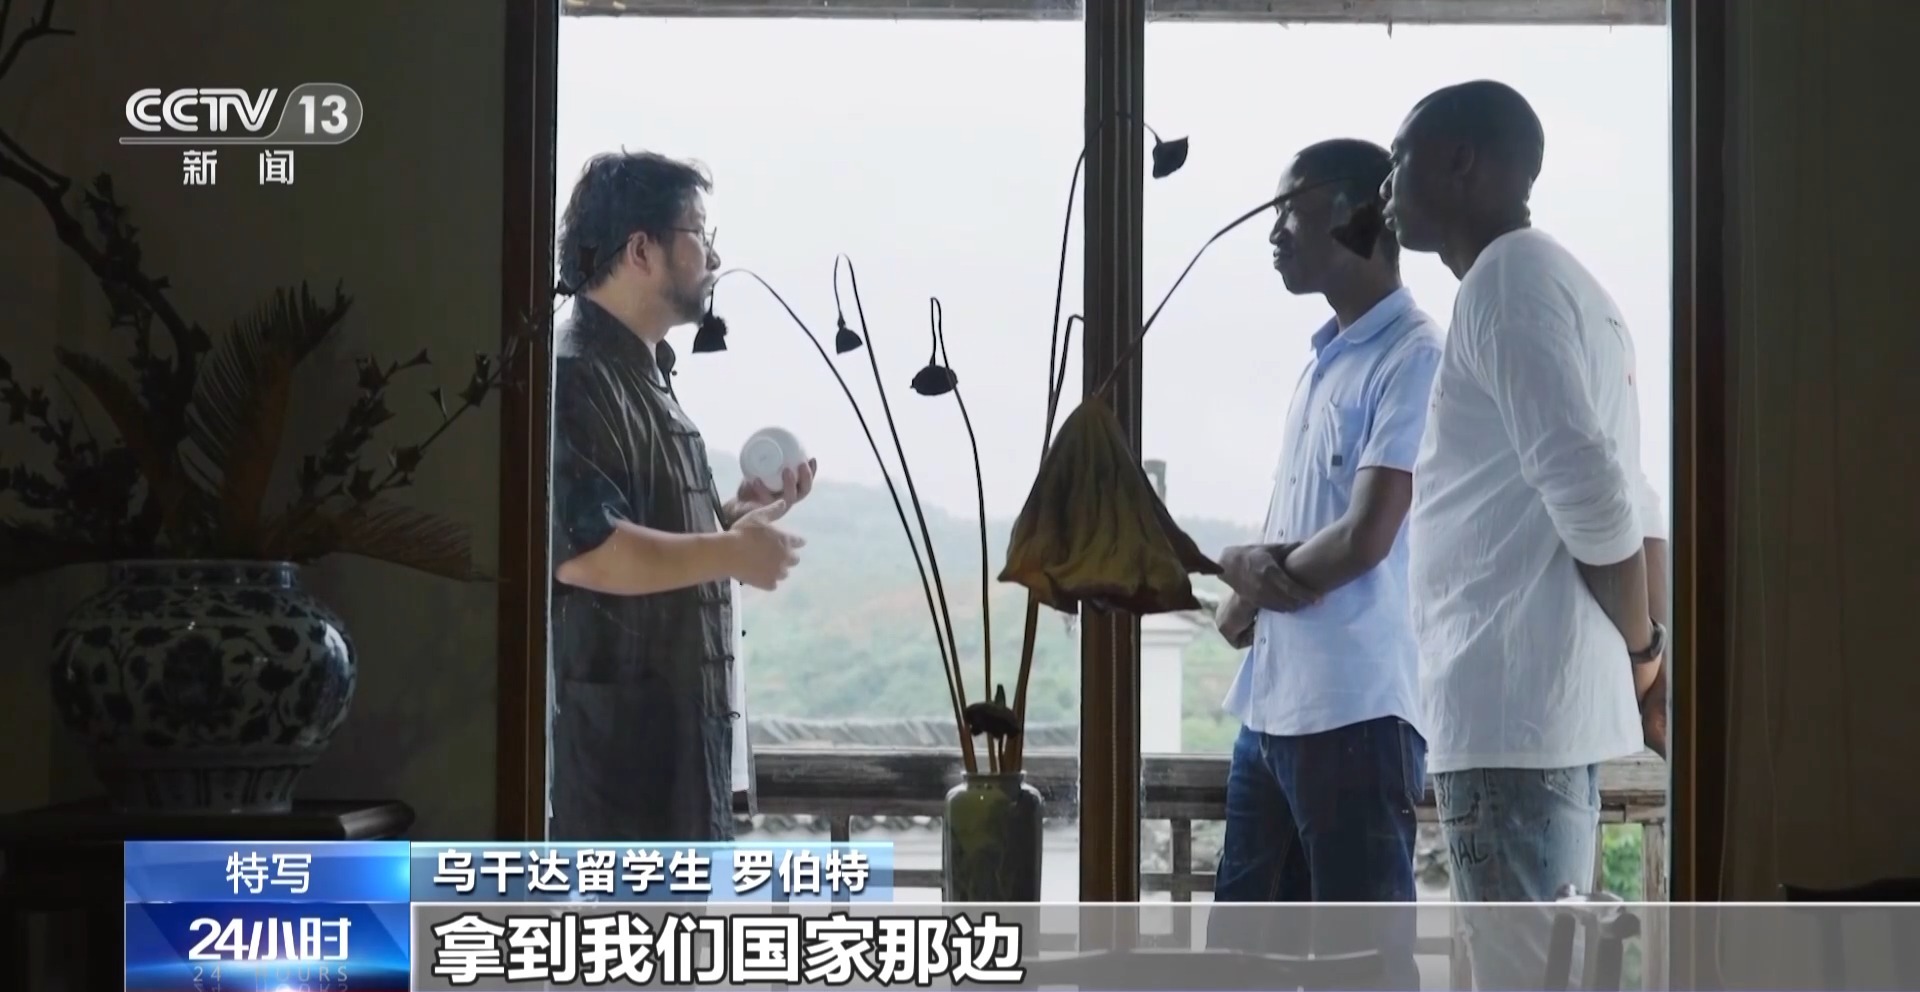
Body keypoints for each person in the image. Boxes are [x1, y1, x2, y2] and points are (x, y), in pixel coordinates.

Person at [1380, 81, 1669, 989]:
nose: (1386, 185)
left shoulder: (1504, 282)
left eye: (1400, 159)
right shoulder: (1579, 292)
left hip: (1509, 720)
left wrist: (1645, 653)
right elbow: (1641, 501)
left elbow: (1600, 496)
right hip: (1542, 724)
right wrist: (1650, 658)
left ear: (1462, 162)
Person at [1206, 138, 1442, 991]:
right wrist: (1243, 596)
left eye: (1291, 211)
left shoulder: (1414, 355)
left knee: (1361, 970)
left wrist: (1245, 574)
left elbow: (1365, 536)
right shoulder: (1322, 365)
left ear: (1358, 214)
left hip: (1356, 716)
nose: (1275, 233)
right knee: (1236, 968)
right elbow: (1302, 530)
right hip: (1271, 715)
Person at [548, 151, 816, 842]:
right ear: (641, 250)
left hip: (669, 754)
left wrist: (732, 520)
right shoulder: (576, 373)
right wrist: (730, 552)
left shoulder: (639, 370)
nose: (715, 257)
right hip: (618, 777)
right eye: (699, 233)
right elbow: (586, 551)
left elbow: (642, 528)